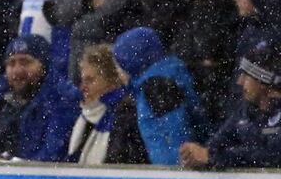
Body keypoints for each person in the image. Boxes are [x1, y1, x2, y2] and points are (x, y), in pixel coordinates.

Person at [0, 35, 80, 162]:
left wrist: (10, 168)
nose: (17, 71)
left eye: (25, 62)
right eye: (11, 63)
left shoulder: (63, 101)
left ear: (43, 65)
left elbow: (52, 156)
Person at [180, 41, 281, 169]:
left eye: (247, 76)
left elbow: (272, 156)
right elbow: (215, 145)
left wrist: (215, 157)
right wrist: (194, 155)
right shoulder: (244, 112)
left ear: (264, 83)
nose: (239, 82)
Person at [112, 27, 205, 165]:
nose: (118, 72)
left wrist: (171, 174)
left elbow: (176, 136)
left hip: (173, 175)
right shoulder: (154, 83)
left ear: (133, 61)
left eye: (119, 65)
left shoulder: (157, 87)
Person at [69, 44, 148, 165]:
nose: (83, 88)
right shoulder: (84, 118)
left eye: (90, 80)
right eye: (82, 80)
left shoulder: (126, 115)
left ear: (113, 81)